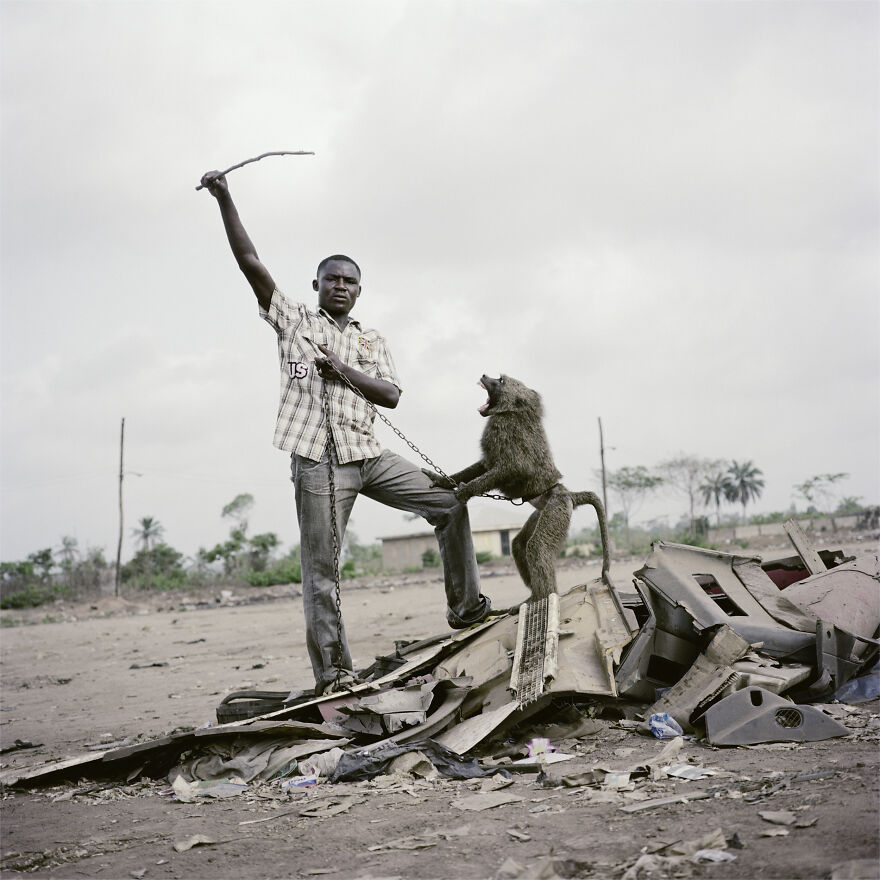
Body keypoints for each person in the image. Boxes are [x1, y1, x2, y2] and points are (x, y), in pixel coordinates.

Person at [200, 171, 492, 695]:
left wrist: (341, 369)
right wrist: (226, 199)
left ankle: (467, 610)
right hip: (317, 461)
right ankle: (334, 672)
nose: (341, 286)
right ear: (316, 285)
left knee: (450, 502)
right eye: (332, 278)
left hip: (367, 455)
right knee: (323, 572)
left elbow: (391, 394)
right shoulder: (293, 321)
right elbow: (250, 263)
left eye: (350, 281)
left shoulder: (371, 339)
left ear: (359, 291)